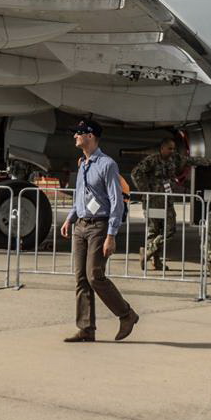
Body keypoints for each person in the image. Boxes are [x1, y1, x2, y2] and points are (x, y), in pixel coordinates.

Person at [61, 119, 138, 342]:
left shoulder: (107, 164)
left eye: (79, 133)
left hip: (99, 226)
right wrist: (70, 219)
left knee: (94, 276)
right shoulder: (82, 164)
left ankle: (126, 314)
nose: (75, 136)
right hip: (81, 225)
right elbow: (80, 196)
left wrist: (111, 235)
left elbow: (116, 201)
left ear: (91, 136)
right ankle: (86, 328)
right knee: (80, 279)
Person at [130, 134, 197, 270]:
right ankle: (156, 261)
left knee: (169, 231)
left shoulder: (174, 159)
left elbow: (190, 160)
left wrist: (209, 162)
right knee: (153, 230)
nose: (172, 151)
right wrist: (146, 190)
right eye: (169, 148)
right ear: (162, 148)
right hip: (153, 201)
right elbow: (136, 173)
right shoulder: (152, 160)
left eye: (173, 149)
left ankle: (148, 251)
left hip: (167, 201)